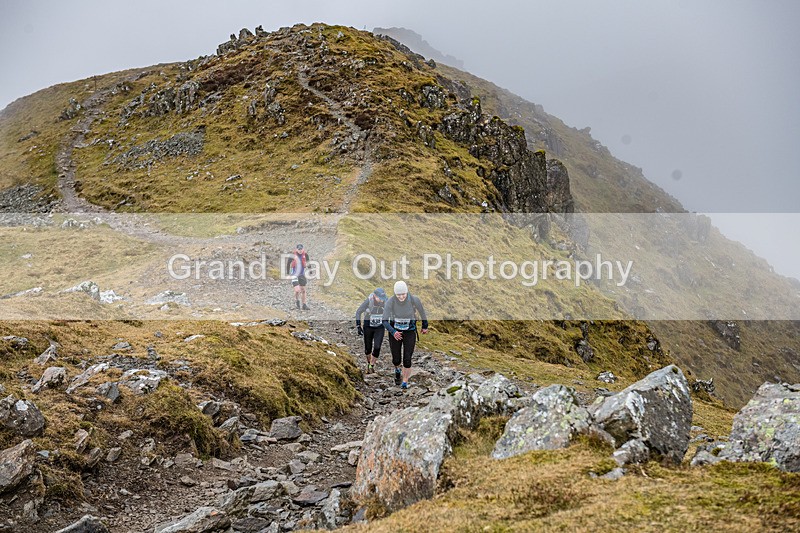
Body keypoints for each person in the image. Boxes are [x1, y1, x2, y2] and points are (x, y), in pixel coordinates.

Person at [382, 280, 428, 389]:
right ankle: (397, 369)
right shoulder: (390, 302)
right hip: (395, 332)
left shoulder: (414, 300)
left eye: (403, 294)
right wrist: (393, 332)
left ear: (406, 292)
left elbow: (422, 313)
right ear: (395, 294)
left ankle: (405, 381)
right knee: (396, 359)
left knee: (407, 359)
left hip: (410, 331)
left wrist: (425, 326)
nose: (401, 297)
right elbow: (384, 320)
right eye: (399, 295)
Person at [355, 287, 387, 373]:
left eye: (382, 299)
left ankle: (371, 365)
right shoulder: (369, 301)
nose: (381, 300)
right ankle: (369, 363)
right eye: (379, 298)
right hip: (368, 326)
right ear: (374, 296)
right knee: (367, 349)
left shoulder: (386, 302)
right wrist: (358, 325)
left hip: (379, 327)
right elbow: (358, 312)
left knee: (377, 347)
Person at [286, 244, 310, 310]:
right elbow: (288, 264)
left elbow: (308, 262)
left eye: (301, 249)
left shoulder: (305, 255)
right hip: (294, 274)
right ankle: (297, 301)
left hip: (301, 274)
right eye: (299, 249)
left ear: (303, 249)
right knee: (297, 290)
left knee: (303, 290)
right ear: (296, 249)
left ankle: (304, 305)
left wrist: (310, 270)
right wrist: (288, 273)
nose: (300, 250)